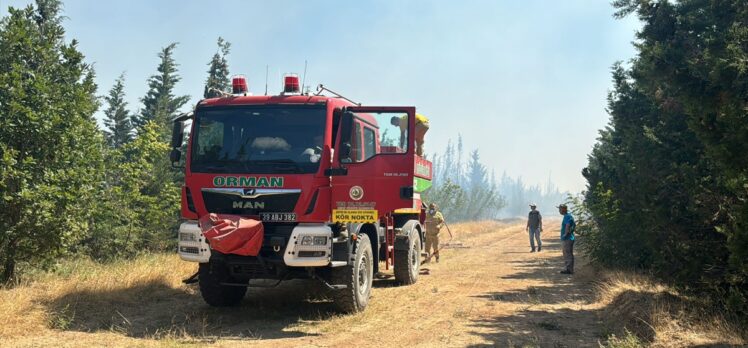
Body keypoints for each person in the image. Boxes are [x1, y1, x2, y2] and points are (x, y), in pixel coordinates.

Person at [558, 204, 576, 274]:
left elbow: (568, 225)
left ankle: (569, 270)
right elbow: (574, 225)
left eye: (560, 209)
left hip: (567, 238)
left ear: (564, 209)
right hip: (569, 238)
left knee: (568, 254)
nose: (559, 211)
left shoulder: (567, 216)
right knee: (567, 254)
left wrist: (565, 234)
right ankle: (568, 269)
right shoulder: (568, 216)